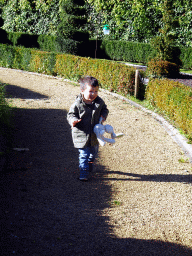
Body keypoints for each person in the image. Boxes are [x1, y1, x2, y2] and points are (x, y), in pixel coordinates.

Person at [67, 76, 109, 181]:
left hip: (95, 134)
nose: (93, 94)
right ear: (82, 91)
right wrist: (73, 120)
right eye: (90, 91)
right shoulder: (77, 104)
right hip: (82, 133)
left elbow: (105, 109)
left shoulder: (99, 102)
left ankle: (90, 162)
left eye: (96, 91)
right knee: (83, 154)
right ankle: (83, 173)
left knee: (93, 152)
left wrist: (103, 116)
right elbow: (70, 114)